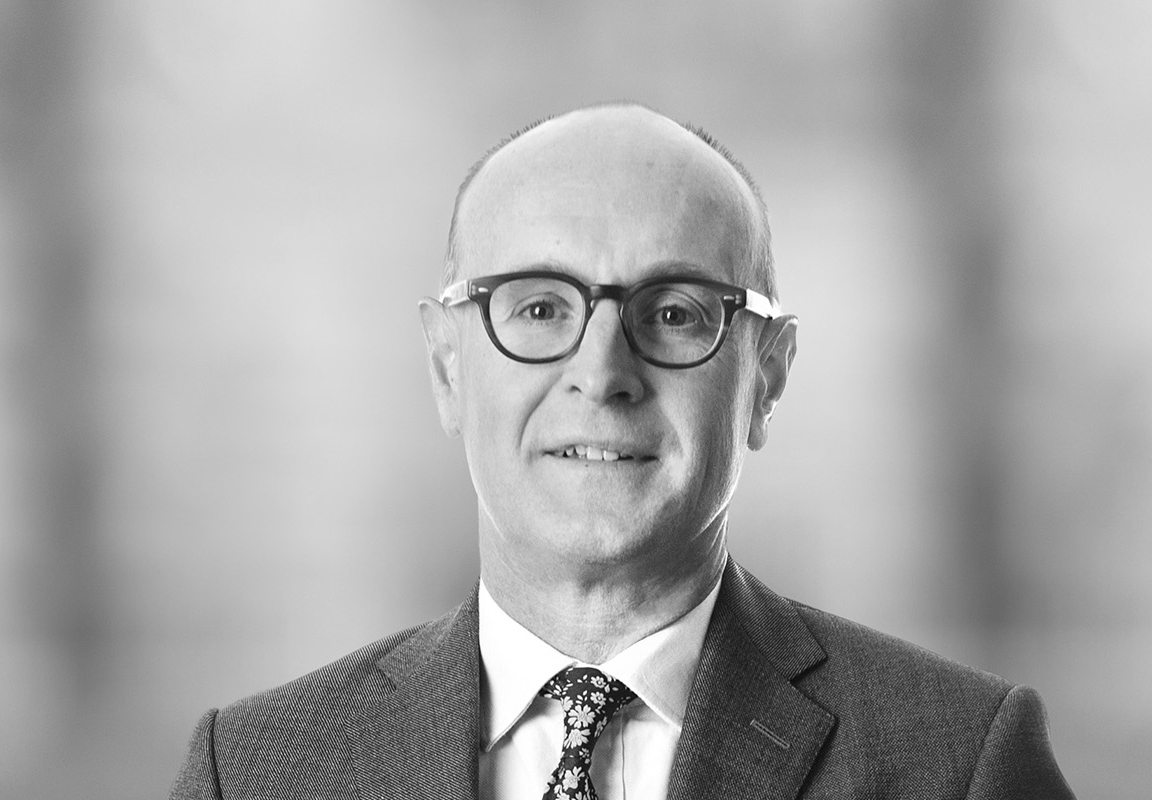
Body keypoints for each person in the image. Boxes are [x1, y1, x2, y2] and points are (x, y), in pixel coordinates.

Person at [170, 103, 1075, 799]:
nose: (601, 374)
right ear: (447, 367)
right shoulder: (252, 772)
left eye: (673, 313)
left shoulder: (960, 763)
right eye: (539, 308)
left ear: (767, 375)